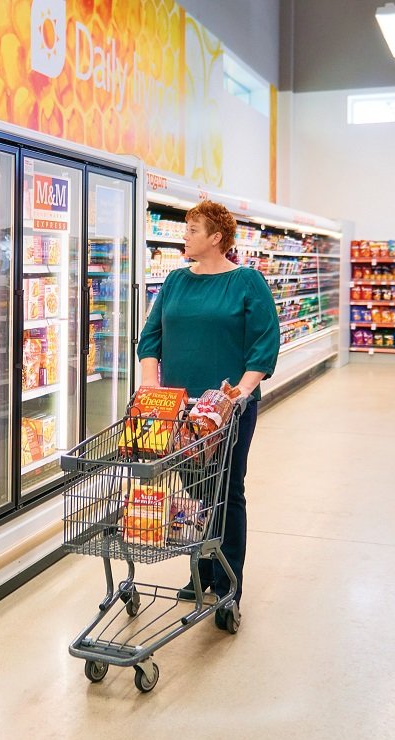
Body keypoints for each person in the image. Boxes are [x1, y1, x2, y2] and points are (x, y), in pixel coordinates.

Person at [135, 200, 279, 614]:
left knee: (227, 489)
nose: (185, 235)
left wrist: (240, 393)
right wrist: (150, 383)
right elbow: (151, 337)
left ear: (217, 238)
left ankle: (228, 578)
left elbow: (263, 347)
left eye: (193, 229)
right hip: (180, 409)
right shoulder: (176, 281)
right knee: (197, 492)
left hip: (226, 410)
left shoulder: (248, 282)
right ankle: (202, 568)